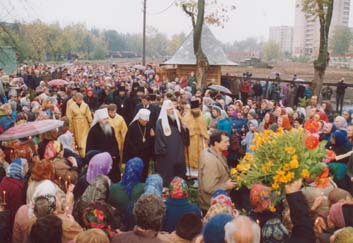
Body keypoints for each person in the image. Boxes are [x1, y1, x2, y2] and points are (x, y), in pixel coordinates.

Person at [198, 131, 236, 211]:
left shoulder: (215, 152)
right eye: (225, 142)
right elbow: (209, 187)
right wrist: (226, 186)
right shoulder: (211, 161)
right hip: (212, 206)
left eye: (228, 141)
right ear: (216, 143)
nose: (228, 144)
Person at [155, 100, 189, 186]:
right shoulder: (160, 122)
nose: (171, 110)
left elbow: (182, 134)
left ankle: (179, 186)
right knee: (168, 171)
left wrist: (185, 130)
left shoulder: (177, 120)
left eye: (172, 109)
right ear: (165, 110)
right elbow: (159, 137)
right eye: (169, 109)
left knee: (179, 168)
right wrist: (162, 149)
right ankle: (167, 185)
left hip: (178, 150)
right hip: (168, 152)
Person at [86, 108, 121, 182]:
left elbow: (115, 144)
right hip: (100, 163)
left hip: (111, 160)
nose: (107, 121)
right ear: (99, 120)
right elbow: (90, 149)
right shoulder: (93, 131)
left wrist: (114, 155)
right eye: (104, 119)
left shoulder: (111, 129)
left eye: (107, 118)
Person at [123, 108, 154, 181]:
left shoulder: (149, 125)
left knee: (144, 173)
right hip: (135, 155)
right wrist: (136, 151)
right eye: (144, 120)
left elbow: (151, 140)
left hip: (145, 155)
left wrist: (152, 136)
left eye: (147, 120)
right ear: (139, 118)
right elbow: (128, 142)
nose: (145, 122)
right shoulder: (132, 127)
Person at [182, 100, 209, 178]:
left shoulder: (201, 116)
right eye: (194, 109)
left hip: (199, 140)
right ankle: (190, 174)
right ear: (191, 109)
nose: (196, 111)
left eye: (197, 109)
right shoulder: (186, 117)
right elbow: (184, 128)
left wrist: (206, 137)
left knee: (199, 156)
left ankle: (198, 174)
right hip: (190, 140)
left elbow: (204, 128)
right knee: (190, 156)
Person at [66, 92, 92, 157]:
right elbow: (69, 117)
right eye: (78, 98)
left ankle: (85, 154)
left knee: (85, 139)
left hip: (84, 124)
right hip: (75, 124)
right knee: (77, 140)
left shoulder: (85, 105)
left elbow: (89, 115)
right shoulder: (71, 106)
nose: (79, 100)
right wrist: (70, 126)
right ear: (75, 99)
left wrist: (91, 124)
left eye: (81, 98)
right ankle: (80, 155)